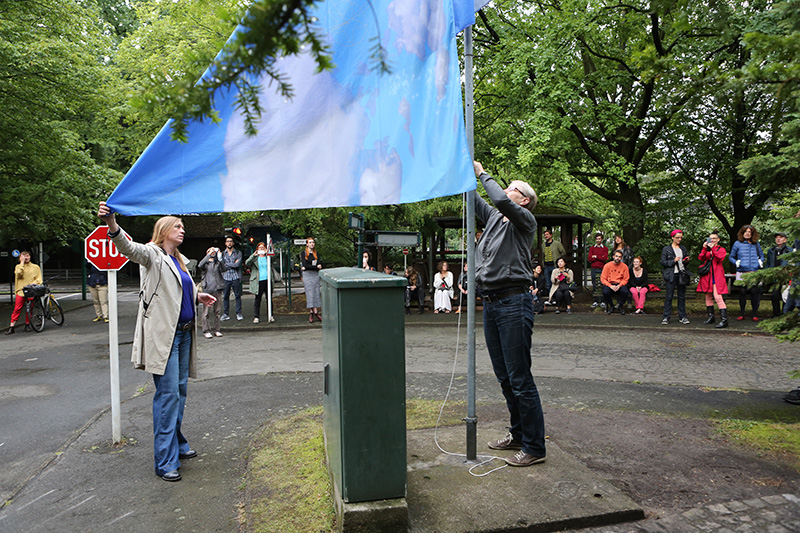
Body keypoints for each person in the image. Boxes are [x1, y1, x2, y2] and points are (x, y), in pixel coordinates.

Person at [98, 201, 216, 482]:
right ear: (163, 231)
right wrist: (111, 223)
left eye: (183, 226)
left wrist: (197, 296)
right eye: (177, 226)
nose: (182, 230)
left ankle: (178, 443)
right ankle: (165, 460)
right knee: (168, 395)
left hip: (186, 334)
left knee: (180, 392)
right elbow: (129, 248)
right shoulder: (152, 254)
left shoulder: (181, 260)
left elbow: (178, 289)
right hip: (166, 338)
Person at [473, 160, 546, 467]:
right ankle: (517, 434)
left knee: (519, 377)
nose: (505, 190)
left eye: (512, 187)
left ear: (524, 199)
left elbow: (497, 198)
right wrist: (463, 175)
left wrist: (481, 173)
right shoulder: (494, 218)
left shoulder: (524, 219)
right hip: (491, 303)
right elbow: (474, 200)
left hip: (514, 303)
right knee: (505, 377)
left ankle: (534, 447)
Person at [729, 224, 765, 321]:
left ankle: (754, 314)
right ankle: (742, 313)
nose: (747, 234)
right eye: (746, 232)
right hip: (742, 272)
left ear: (753, 234)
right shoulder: (737, 244)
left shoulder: (756, 244)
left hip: (754, 271)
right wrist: (736, 262)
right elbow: (731, 257)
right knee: (742, 292)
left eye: (749, 232)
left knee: (754, 292)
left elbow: (762, 256)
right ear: (742, 233)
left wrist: (760, 261)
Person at [696, 231, 729, 328]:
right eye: (711, 238)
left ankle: (724, 320)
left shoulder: (721, 249)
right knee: (708, 296)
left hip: (717, 276)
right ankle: (711, 317)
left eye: (714, 238)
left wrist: (713, 248)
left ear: (718, 240)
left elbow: (719, 258)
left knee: (718, 297)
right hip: (707, 276)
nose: (712, 240)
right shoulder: (707, 250)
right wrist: (704, 248)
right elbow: (701, 258)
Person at [5, 251, 42, 335]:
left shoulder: (35, 267)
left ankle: (27, 324)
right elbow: (18, 274)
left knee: (30, 308)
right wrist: (21, 262)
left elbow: (39, 278)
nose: (26, 257)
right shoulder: (18, 267)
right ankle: (12, 327)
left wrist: (35, 283)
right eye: (24, 256)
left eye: (27, 256)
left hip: (31, 290)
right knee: (17, 308)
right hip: (21, 291)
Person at [661, 229, 691, 325]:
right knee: (669, 296)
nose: (679, 239)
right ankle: (666, 317)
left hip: (681, 274)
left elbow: (685, 262)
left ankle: (682, 316)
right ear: (672, 237)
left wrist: (686, 261)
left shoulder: (683, 248)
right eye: (677, 237)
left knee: (681, 297)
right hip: (671, 275)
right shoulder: (667, 249)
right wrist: (673, 261)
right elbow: (662, 262)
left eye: (681, 237)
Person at [197, 247, 225, 338]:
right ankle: (206, 330)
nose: (213, 252)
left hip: (217, 289)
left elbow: (224, 268)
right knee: (206, 312)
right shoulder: (205, 264)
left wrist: (219, 257)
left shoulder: (217, 263)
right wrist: (208, 255)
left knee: (217, 311)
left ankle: (217, 330)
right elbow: (200, 265)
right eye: (210, 250)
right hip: (207, 289)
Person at [246, 242, 275, 324]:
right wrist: (253, 255)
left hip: (268, 280)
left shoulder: (268, 257)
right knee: (257, 299)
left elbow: (274, 258)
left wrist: (268, 253)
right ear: (257, 249)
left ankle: (271, 315)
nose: (261, 249)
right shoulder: (255, 258)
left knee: (269, 299)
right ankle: (256, 316)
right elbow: (247, 263)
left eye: (263, 248)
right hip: (258, 280)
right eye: (260, 248)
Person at [766, 232, 792, 317]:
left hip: (785, 278)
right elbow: (768, 263)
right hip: (774, 278)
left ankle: (785, 314)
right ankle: (776, 315)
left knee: (786, 296)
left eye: (780, 237)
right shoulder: (771, 250)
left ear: (785, 239)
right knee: (774, 296)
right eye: (777, 237)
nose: (778, 239)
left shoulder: (789, 251)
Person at [220, 236, 243, 321]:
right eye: (227, 241)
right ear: (225, 243)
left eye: (231, 241)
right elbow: (222, 265)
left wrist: (227, 264)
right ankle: (226, 313)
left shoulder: (237, 253)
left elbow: (237, 265)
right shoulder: (222, 254)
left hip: (235, 277)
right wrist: (232, 264)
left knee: (238, 296)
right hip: (225, 277)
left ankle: (239, 313)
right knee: (225, 296)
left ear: (233, 243)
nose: (229, 243)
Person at [601, 250, 631, 314]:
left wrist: (619, 285)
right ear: (613, 256)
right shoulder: (607, 265)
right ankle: (611, 306)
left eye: (619, 257)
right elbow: (603, 278)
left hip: (619, 284)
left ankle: (620, 306)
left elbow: (626, 279)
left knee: (625, 292)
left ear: (621, 258)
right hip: (610, 284)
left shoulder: (624, 266)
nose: (618, 258)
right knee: (605, 292)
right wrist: (610, 286)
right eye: (616, 256)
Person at [300, 237, 322, 323]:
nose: (312, 244)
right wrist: (315, 267)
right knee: (309, 293)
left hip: (315, 275)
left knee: (316, 292)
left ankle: (314, 311)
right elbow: (305, 264)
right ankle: (313, 312)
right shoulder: (304, 253)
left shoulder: (317, 254)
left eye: (313, 242)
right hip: (307, 276)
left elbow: (319, 264)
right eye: (310, 242)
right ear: (307, 244)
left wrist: (313, 267)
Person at [540, 228, 566, 297]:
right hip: (546, 266)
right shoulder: (543, 245)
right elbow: (542, 255)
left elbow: (563, 252)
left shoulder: (557, 244)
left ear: (551, 235)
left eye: (547, 234)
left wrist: (558, 260)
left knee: (555, 281)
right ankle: (550, 296)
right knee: (548, 282)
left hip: (554, 265)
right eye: (545, 235)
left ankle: (556, 296)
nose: (546, 236)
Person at [588, 233, 608, 308]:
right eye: (597, 239)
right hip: (594, 268)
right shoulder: (592, 248)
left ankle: (602, 300)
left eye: (599, 239)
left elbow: (605, 258)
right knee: (594, 283)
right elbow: (590, 258)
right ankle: (595, 300)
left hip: (602, 268)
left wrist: (596, 256)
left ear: (602, 239)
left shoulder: (605, 248)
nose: (598, 240)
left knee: (602, 283)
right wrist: (600, 257)